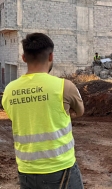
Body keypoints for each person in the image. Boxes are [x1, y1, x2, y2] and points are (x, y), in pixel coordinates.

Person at [1, 33, 85, 189]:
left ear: (24, 58)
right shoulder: (64, 86)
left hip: (26, 171)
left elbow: (18, 116)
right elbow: (79, 112)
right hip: (60, 170)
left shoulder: (9, 91)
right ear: (51, 56)